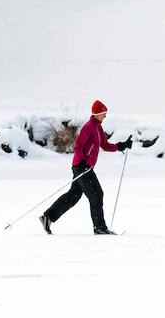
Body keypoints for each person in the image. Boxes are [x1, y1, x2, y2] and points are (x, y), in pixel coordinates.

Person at [41, 99, 120, 235]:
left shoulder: (97, 127)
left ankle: (48, 217)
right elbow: (78, 146)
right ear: (97, 113)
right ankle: (99, 228)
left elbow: (105, 145)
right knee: (96, 195)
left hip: (86, 167)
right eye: (103, 113)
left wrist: (120, 146)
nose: (105, 116)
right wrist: (82, 164)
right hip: (82, 167)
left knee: (74, 195)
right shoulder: (89, 127)